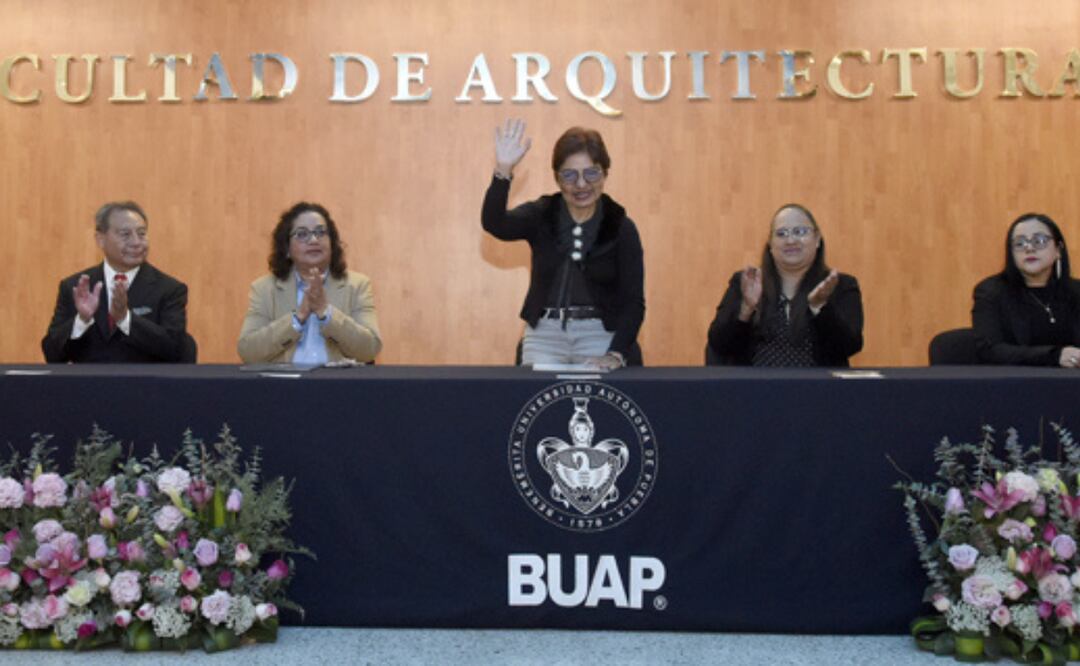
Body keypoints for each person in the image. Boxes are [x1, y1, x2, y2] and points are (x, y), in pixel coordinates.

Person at [482, 119, 645, 369]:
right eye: (569, 175)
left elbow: (634, 302)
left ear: (605, 173)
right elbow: (495, 223)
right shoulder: (541, 214)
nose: (581, 184)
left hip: (601, 336)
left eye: (591, 173)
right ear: (557, 179)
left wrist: (615, 354)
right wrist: (503, 169)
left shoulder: (622, 227)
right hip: (545, 338)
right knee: (537, 405)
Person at [707, 203, 863, 366]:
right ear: (771, 245)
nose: (790, 240)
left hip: (818, 388)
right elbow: (719, 345)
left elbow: (850, 346)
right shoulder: (747, 282)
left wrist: (819, 308)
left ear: (817, 239)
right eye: (781, 234)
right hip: (755, 388)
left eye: (800, 232)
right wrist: (746, 309)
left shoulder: (842, 285)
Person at [42, 201, 188, 363]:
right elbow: (52, 354)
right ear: (100, 240)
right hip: (88, 385)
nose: (136, 242)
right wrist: (81, 320)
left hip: (143, 386)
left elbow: (175, 350)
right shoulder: (75, 286)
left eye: (141, 233)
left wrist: (125, 319)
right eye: (125, 234)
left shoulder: (169, 289)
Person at [237, 202, 381, 365]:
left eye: (320, 232)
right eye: (302, 234)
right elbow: (248, 351)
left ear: (332, 244)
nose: (313, 240)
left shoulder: (357, 285)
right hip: (285, 387)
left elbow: (370, 349)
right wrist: (297, 319)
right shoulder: (265, 288)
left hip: (338, 386)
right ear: (286, 248)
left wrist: (326, 313)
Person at [972, 213, 1080, 366]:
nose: (1029, 248)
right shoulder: (991, 292)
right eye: (1020, 243)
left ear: (1058, 249)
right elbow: (990, 350)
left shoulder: (1076, 292)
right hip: (1016, 384)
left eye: (1039, 241)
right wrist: (1055, 356)